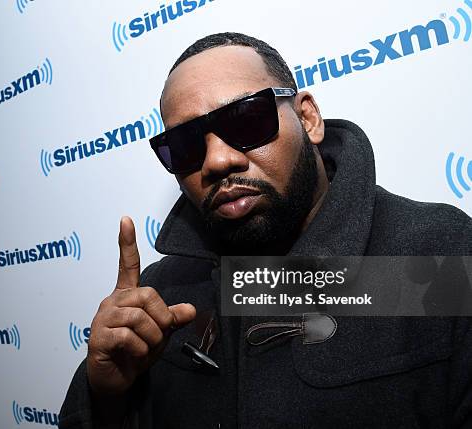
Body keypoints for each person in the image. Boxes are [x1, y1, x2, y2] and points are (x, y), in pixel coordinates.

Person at [58, 33, 472, 428]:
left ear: (308, 119)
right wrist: (108, 398)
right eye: (185, 145)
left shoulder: (442, 255)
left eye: (246, 119)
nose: (217, 161)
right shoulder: (161, 294)